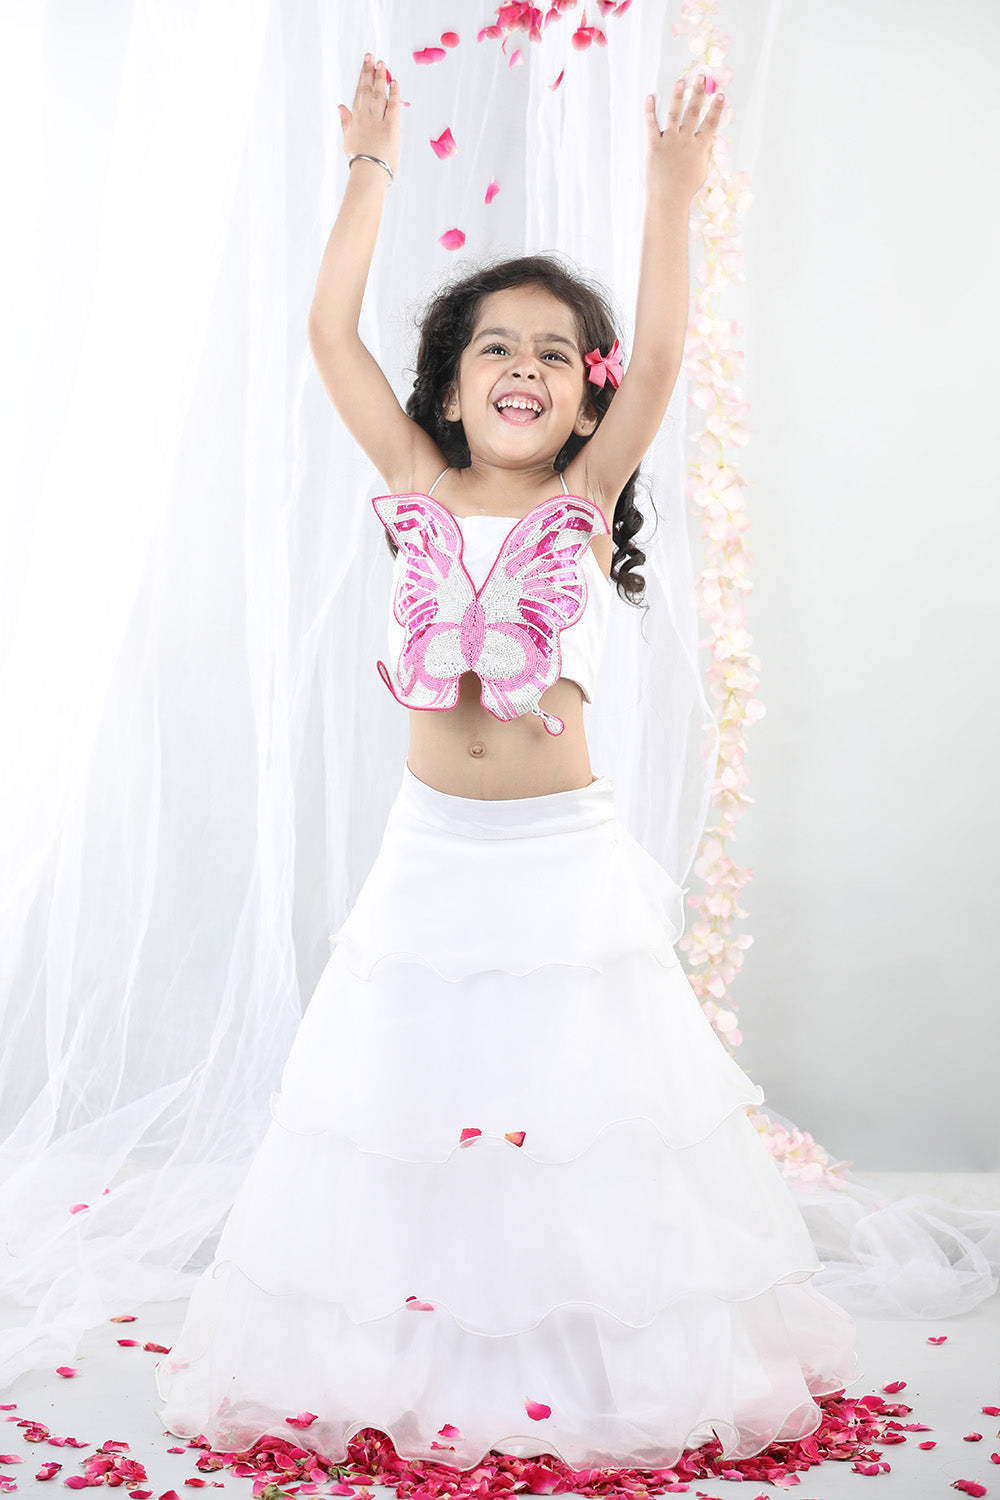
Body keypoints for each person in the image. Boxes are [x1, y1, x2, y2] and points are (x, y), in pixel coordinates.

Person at [154, 53, 861, 1472]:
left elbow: (661, 358)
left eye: (551, 351)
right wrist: (369, 168)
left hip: (559, 860)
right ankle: (425, 1342)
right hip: (431, 853)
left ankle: (578, 1348)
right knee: (418, 1106)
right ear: (450, 386)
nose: (524, 366)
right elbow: (328, 334)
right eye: (494, 348)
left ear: (583, 401)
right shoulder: (416, 482)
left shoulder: (586, 495)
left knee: (570, 1107)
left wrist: (669, 193)